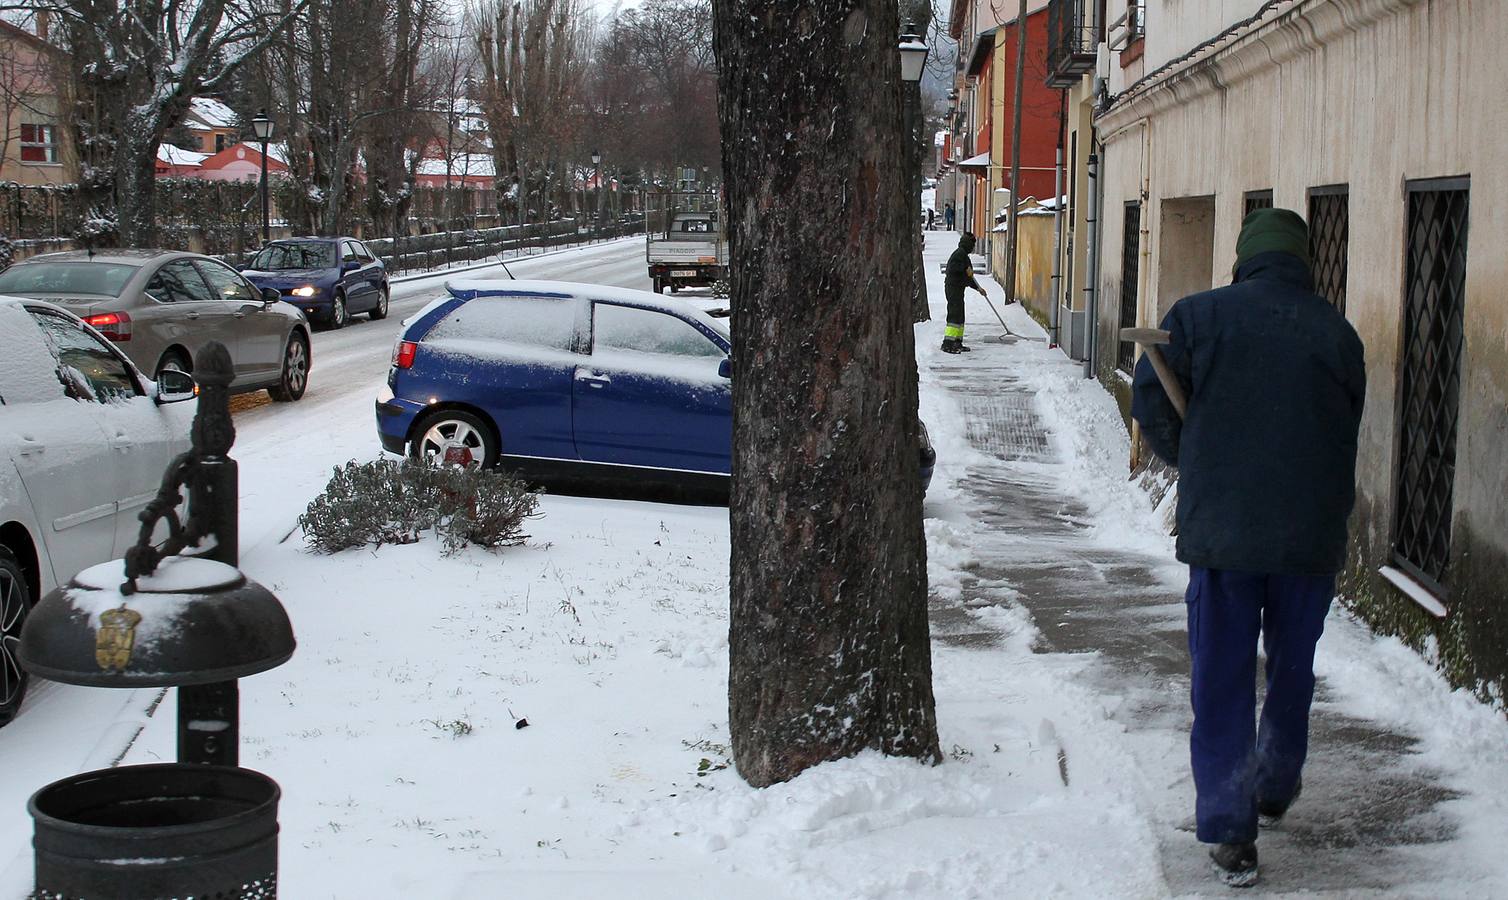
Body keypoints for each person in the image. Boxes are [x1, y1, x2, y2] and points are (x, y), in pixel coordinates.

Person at [1131, 208, 1365, 888]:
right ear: (1303, 261)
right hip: (1308, 538)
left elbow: (1152, 398)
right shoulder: (1338, 335)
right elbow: (1344, 427)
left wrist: (1191, 459)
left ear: (1243, 257)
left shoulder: (1199, 317)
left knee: (1223, 677)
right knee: (1293, 669)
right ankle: (1274, 784)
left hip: (1226, 536)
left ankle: (1233, 832)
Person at [942, 231, 987, 353]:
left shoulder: (964, 256)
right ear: (968, 244)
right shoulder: (958, 255)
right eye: (972, 245)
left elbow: (969, 277)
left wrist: (979, 289)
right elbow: (954, 269)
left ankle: (957, 342)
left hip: (958, 289)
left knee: (960, 316)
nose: (973, 248)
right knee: (954, 315)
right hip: (953, 288)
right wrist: (965, 269)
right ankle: (947, 343)